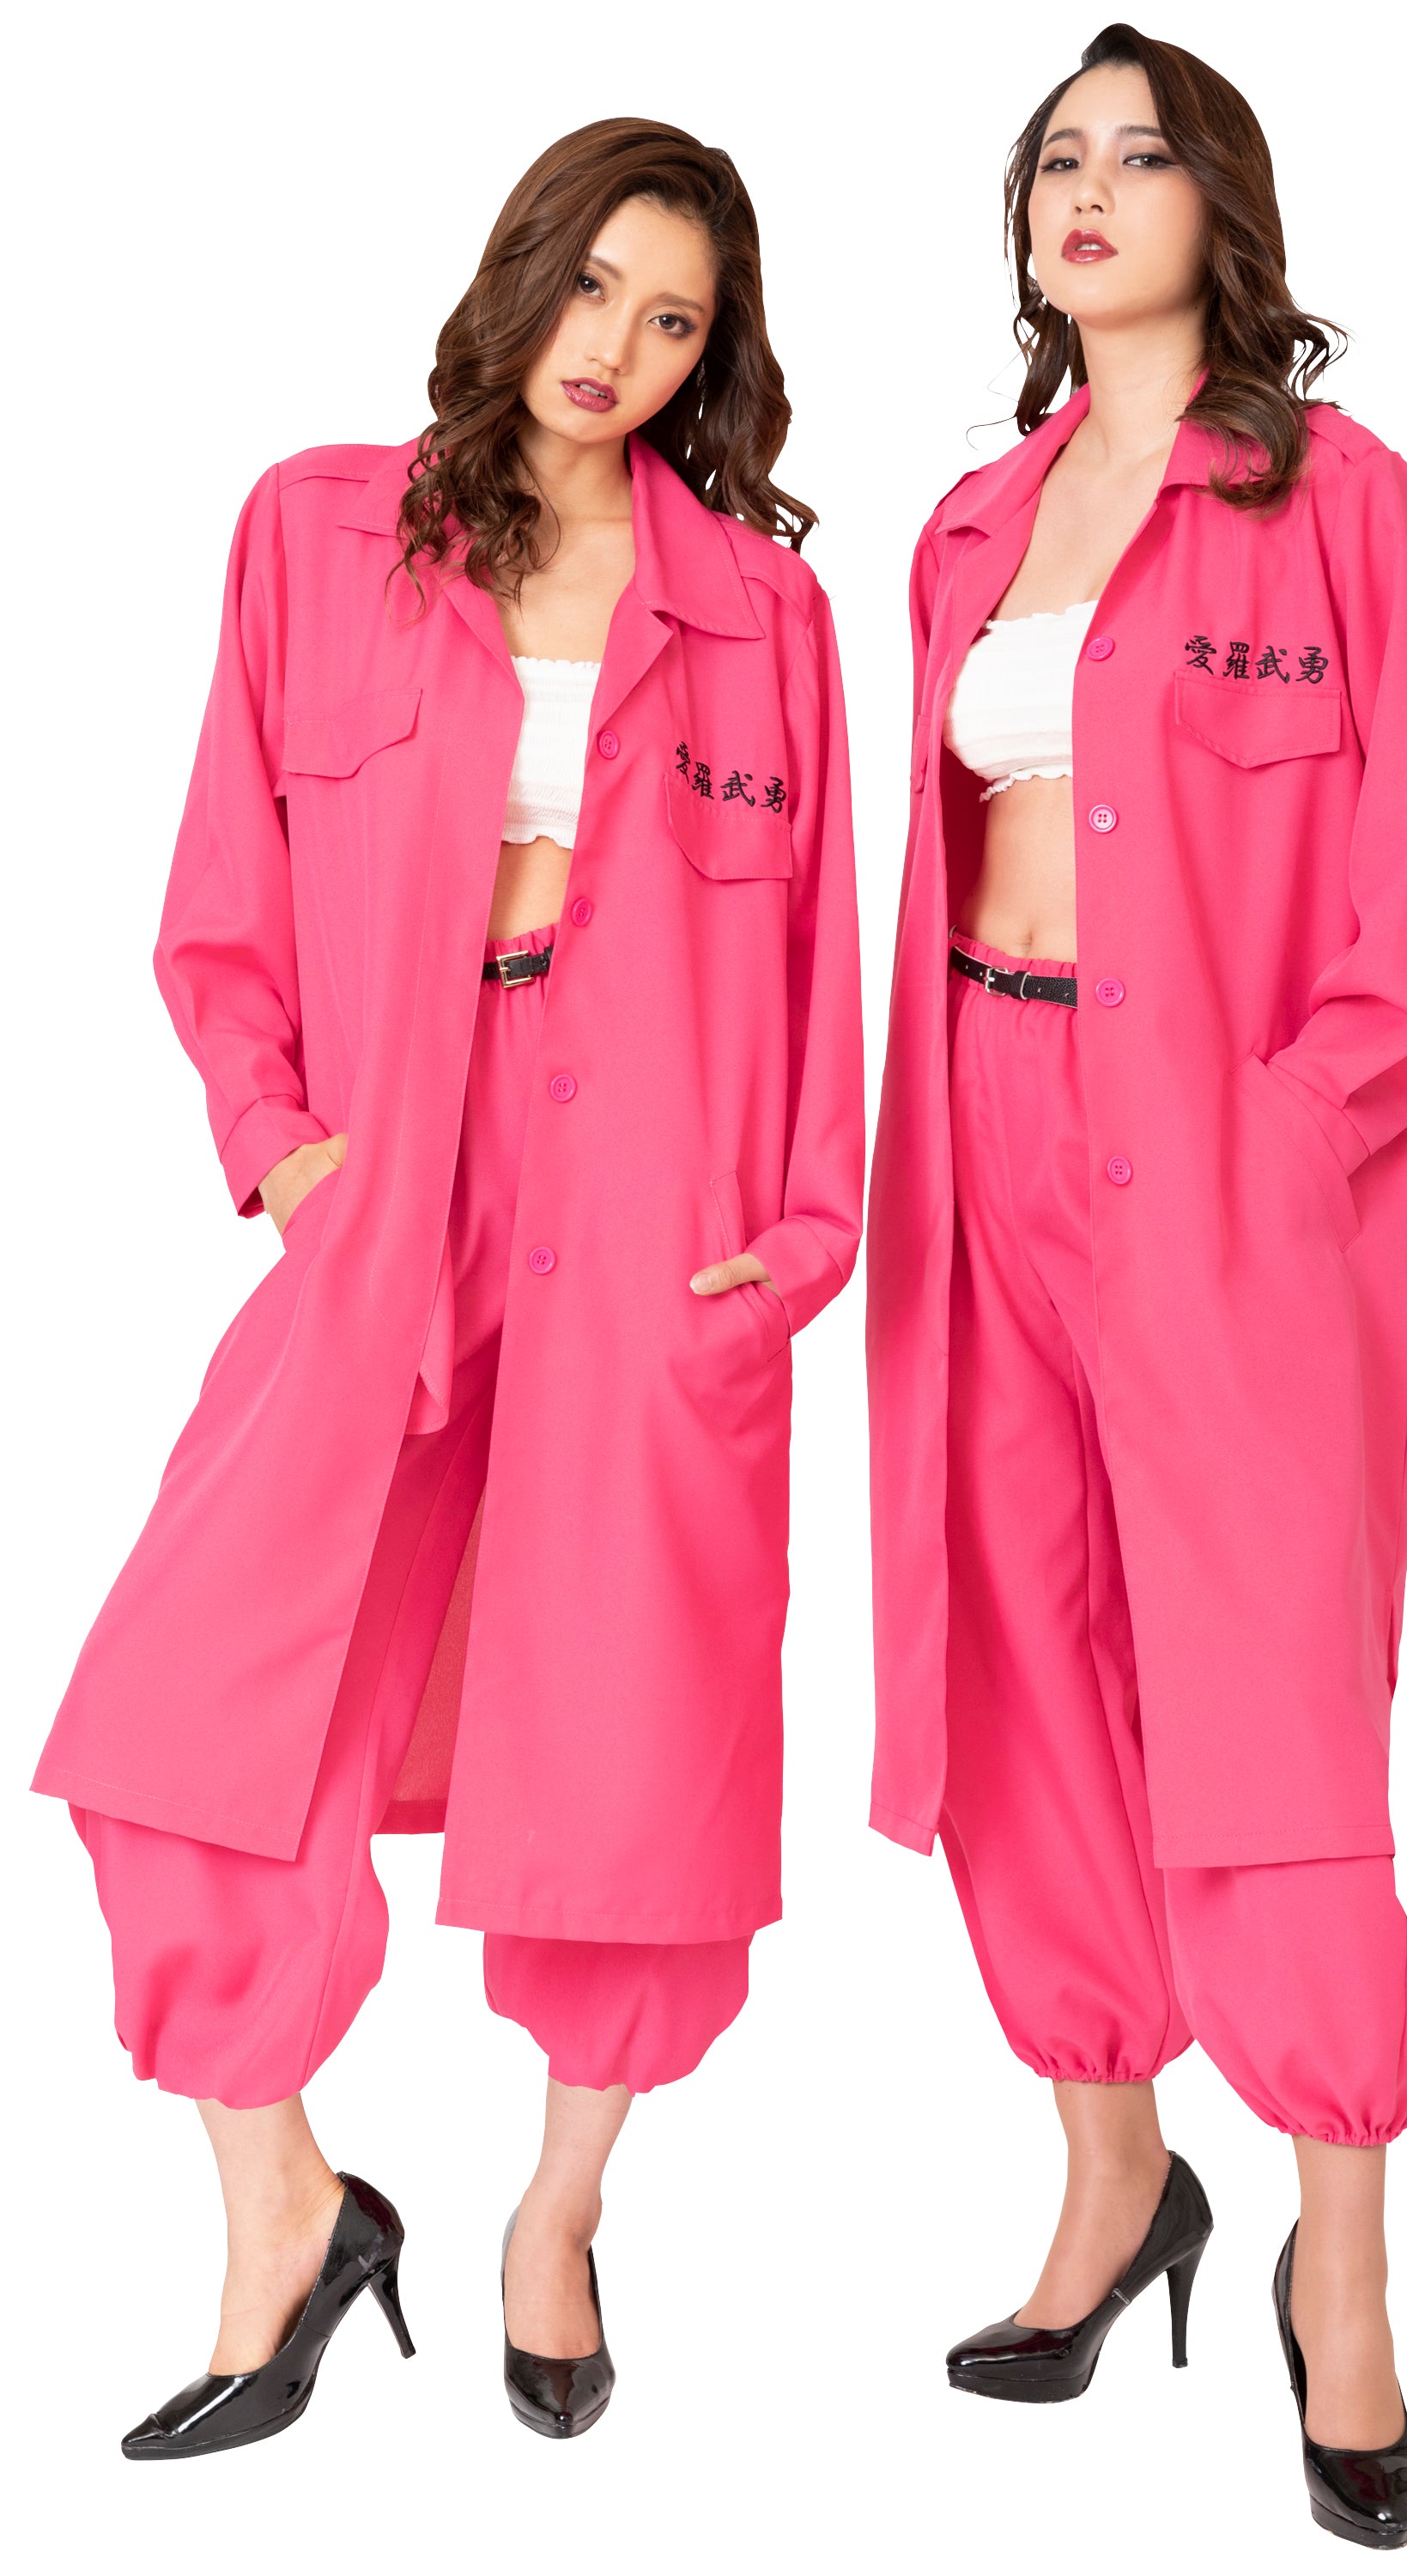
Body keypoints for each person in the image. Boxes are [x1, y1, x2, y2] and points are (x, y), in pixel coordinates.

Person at [34, 117, 862, 2454]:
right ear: (522, 272)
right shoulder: (320, 531)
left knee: (628, 1745)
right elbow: (220, 886)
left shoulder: (762, 616)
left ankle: (558, 2217)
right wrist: (279, 1145)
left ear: (712, 357)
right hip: (388, 1174)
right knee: (184, 1717)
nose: (618, 348)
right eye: (593, 286)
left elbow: (821, 961)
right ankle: (286, 2212)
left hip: (658, 1210)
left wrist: (798, 1244)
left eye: (674, 319)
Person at [864, 23, 1407, 2549]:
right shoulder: (971, 520)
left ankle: (1338, 2269)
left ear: (1219, 212)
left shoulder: (1337, 500)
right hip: (981, 1123)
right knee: (1019, 1656)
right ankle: (1109, 2170)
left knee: (1265, 1693)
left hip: (1233, 1153)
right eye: (1058, 157)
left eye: (1141, 156)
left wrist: (1302, 1113)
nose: (1090, 188)